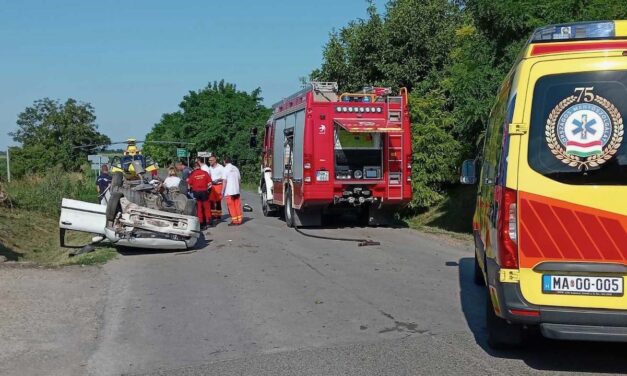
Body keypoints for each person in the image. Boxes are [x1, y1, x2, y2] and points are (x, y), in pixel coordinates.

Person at [187, 162, 212, 229]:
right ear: (199, 166)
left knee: (199, 207)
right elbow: (210, 183)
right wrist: (208, 191)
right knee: (206, 207)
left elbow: (189, 184)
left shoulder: (192, 174)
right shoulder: (205, 173)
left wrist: (189, 192)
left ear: (194, 168)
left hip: (196, 192)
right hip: (204, 191)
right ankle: (208, 221)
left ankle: (201, 222)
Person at [222, 156, 242, 226]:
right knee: (237, 205)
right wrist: (239, 189)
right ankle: (239, 220)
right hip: (236, 191)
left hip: (229, 191)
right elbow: (239, 180)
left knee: (231, 206)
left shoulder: (225, 169)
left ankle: (234, 221)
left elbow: (224, 181)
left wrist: (222, 191)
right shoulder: (236, 168)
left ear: (224, 161)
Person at [207, 155, 225, 222]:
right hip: (212, 186)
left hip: (218, 185)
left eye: (211, 160)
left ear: (215, 160)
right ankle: (213, 215)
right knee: (211, 201)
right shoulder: (209, 168)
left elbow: (224, 177)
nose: (210, 162)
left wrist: (218, 180)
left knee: (218, 201)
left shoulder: (221, 167)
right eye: (209, 160)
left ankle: (218, 215)